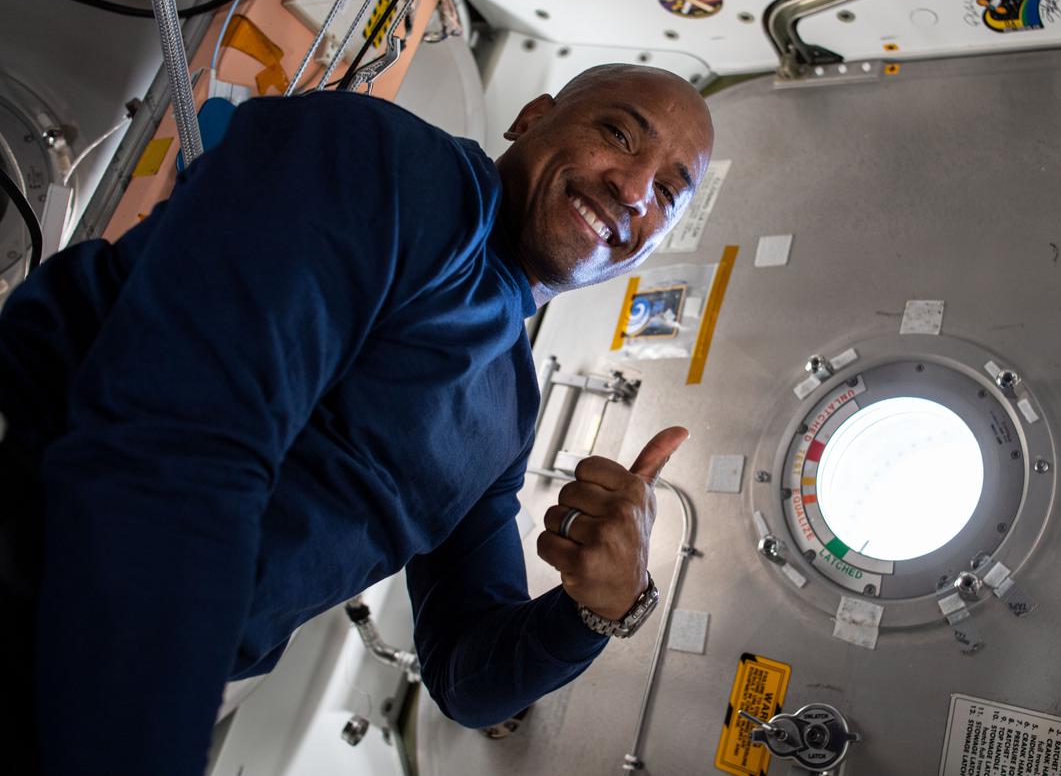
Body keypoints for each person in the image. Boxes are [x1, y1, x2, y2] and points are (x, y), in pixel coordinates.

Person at [0, 63, 715, 774]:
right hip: (49, 566)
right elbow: (179, 443)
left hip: (168, 672)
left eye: (668, 192)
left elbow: (465, 676)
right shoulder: (390, 164)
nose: (632, 188)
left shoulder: (506, 411)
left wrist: (597, 609)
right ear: (531, 118)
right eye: (618, 134)